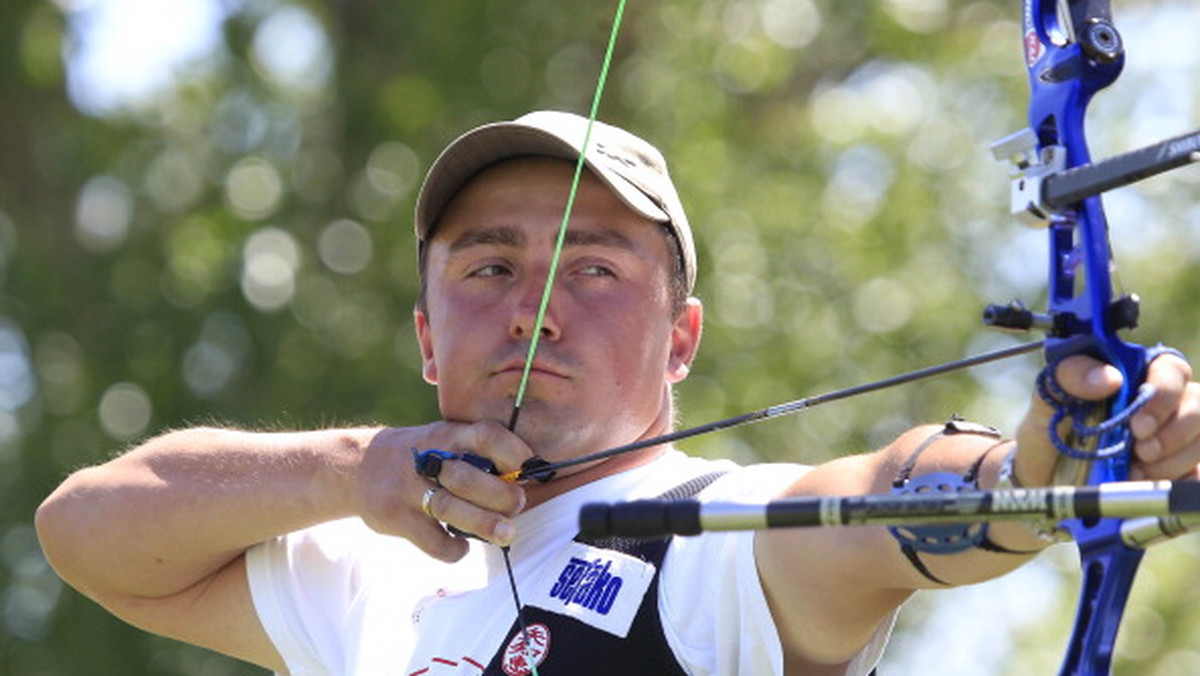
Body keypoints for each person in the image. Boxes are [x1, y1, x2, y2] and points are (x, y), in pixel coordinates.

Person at [36, 110, 1200, 676]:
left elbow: (908, 505)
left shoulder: (724, 542)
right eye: (489, 268)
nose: (536, 308)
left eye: (593, 270)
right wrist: (357, 468)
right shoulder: (365, 573)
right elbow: (88, 527)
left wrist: (1056, 460)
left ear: (681, 336)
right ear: (426, 335)